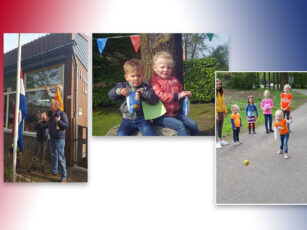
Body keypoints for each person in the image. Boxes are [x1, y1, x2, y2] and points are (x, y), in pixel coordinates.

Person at [149, 51, 200, 136]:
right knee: (180, 126)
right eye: (162, 67)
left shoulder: (174, 80)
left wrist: (186, 95)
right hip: (161, 116)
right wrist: (178, 96)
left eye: (169, 68)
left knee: (194, 124)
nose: (165, 70)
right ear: (155, 68)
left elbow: (181, 92)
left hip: (175, 114)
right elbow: (160, 96)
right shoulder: (154, 81)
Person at [108, 59, 159, 136]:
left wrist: (144, 93)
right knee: (121, 135)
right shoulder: (123, 86)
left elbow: (155, 100)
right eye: (133, 76)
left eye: (139, 75)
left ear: (143, 75)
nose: (136, 78)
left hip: (143, 119)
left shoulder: (146, 87)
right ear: (126, 77)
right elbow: (110, 95)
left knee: (150, 134)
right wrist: (119, 91)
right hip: (127, 119)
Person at [46, 100, 69, 182]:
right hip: (52, 138)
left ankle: (63, 177)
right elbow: (48, 124)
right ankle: (54, 172)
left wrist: (59, 121)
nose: (50, 106)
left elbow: (66, 125)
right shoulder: (51, 115)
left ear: (56, 107)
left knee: (61, 158)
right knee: (54, 156)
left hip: (59, 139)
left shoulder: (62, 114)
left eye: (51, 105)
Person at [216, 78, 228, 148]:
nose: (218, 85)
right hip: (216, 112)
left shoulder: (221, 92)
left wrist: (225, 111)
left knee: (220, 127)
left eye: (219, 84)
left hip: (221, 112)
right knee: (216, 128)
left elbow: (223, 102)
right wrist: (216, 114)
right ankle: (216, 142)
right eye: (217, 84)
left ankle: (220, 140)